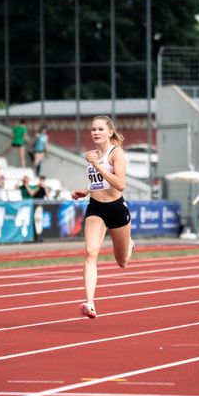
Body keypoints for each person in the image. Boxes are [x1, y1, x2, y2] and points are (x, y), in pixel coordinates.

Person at [71, 115, 135, 319]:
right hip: (96, 208)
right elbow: (98, 182)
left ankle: (130, 245)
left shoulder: (117, 153)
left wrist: (97, 165)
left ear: (109, 132)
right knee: (90, 252)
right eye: (93, 129)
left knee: (122, 261)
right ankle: (89, 303)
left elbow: (120, 184)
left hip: (116, 208)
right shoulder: (90, 154)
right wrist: (86, 191)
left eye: (100, 129)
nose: (96, 132)